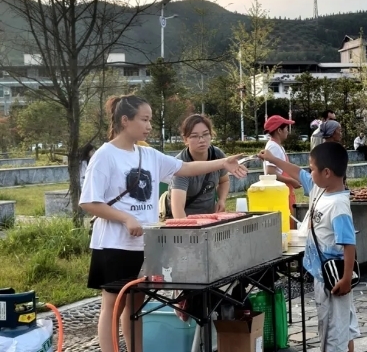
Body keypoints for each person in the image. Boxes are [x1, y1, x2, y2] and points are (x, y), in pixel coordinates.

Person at [79, 95, 248, 352]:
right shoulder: (105, 156)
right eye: (144, 120)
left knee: (136, 308)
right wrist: (125, 217)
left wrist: (223, 163)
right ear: (125, 120)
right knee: (113, 308)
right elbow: (89, 202)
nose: (149, 126)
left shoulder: (147, 154)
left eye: (150, 120)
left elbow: (185, 168)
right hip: (114, 246)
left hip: (146, 245)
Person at [304, 142, 360, 352]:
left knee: (334, 332)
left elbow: (349, 243)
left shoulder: (338, 206)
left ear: (326, 172)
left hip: (334, 279)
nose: (310, 174)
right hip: (325, 275)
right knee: (341, 328)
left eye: (311, 169)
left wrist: (346, 279)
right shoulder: (324, 192)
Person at [164, 114, 230, 218]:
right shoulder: (180, 165)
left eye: (205, 134)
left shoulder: (217, 155)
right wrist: (187, 231)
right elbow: (177, 208)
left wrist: (222, 200)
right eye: (194, 136)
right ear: (185, 140)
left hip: (210, 219)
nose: (201, 140)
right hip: (186, 221)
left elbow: (224, 181)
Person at [263, 115, 301, 229]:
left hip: (284, 192)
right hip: (279, 193)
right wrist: (291, 180)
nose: (287, 132)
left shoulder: (277, 146)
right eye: (286, 128)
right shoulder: (273, 147)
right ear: (279, 130)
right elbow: (270, 173)